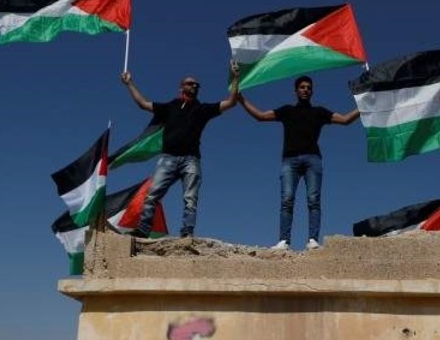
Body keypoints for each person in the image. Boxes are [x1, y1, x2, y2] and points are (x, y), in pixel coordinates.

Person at [238, 76, 359, 250]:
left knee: (313, 200)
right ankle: (284, 241)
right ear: (295, 91)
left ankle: (312, 240)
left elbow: (346, 120)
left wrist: (364, 105)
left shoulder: (319, 112)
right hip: (290, 160)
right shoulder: (287, 111)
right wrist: (241, 98)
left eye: (308, 87)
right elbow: (261, 116)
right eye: (302, 87)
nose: (305, 90)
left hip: (313, 159)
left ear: (312, 91)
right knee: (287, 200)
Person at [121, 62, 239, 238]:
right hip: (168, 158)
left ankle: (187, 233)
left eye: (197, 85)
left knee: (190, 199)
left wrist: (235, 77)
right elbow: (143, 104)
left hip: (191, 159)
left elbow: (231, 102)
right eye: (191, 83)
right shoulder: (170, 107)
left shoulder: (203, 109)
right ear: (181, 86)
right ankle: (143, 230)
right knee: (152, 195)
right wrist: (129, 83)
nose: (194, 86)